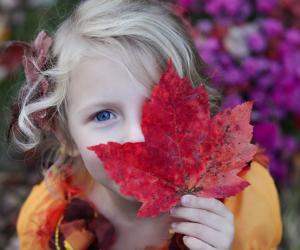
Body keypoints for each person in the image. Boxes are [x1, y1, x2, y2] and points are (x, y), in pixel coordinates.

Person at [7, 0, 282, 249]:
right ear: (65, 135)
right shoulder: (52, 222)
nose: (138, 135)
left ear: (198, 113)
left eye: (159, 107)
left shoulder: (242, 209)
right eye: (103, 115)